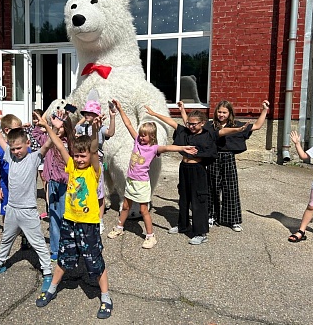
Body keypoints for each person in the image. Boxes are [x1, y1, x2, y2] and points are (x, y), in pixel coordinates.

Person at [34, 112, 113, 320]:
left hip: (88, 224)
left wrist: (95, 129)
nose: (79, 159)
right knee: (64, 257)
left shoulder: (93, 170)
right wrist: (46, 125)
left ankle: (106, 297)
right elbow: (60, 147)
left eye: (82, 156)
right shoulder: (71, 165)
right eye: (76, 156)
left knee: (95, 261)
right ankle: (52, 288)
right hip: (70, 221)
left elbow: (94, 149)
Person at [145, 106, 248, 245]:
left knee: (199, 200)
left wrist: (238, 129)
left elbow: (223, 131)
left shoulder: (208, 133)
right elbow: (171, 122)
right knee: (184, 197)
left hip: (198, 169)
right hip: (184, 168)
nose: (191, 126)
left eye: (194, 124)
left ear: (202, 123)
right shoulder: (185, 131)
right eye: (189, 123)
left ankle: (201, 233)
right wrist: (153, 113)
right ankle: (183, 225)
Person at [0, 104, 52, 291]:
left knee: (38, 243)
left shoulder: (34, 157)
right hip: (11, 209)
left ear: (27, 144)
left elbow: (49, 143)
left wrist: (53, 127)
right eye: (13, 149)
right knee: (6, 239)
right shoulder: (10, 156)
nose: (16, 151)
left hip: (28, 211)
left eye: (19, 147)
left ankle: (48, 272)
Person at [107, 100, 197, 248]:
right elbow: (128, 124)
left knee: (143, 210)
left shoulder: (154, 148)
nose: (141, 137)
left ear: (152, 137)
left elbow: (168, 147)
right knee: (125, 206)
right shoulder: (136, 141)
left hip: (142, 184)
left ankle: (150, 236)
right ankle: (119, 228)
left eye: (144, 135)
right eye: (141, 134)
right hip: (131, 181)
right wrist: (120, 109)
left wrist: (184, 148)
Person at [179, 100, 269, 232]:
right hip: (213, 158)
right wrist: (182, 109)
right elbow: (190, 124)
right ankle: (211, 216)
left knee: (230, 189)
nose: (221, 114)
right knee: (211, 188)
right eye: (219, 111)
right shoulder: (210, 125)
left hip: (228, 158)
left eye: (224, 112)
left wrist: (264, 110)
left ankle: (233, 220)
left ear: (229, 113)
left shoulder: (235, 125)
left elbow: (256, 126)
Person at [32, 111, 74, 261]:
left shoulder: (70, 142)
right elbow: (36, 133)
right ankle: (55, 248)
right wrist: (43, 121)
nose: (59, 128)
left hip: (68, 185)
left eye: (62, 126)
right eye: (57, 126)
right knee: (54, 217)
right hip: (54, 184)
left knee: (67, 217)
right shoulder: (48, 140)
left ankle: (68, 245)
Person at [0, 114, 32, 251]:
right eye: (17, 128)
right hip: (6, 187)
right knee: (6, 212)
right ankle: (7, 234)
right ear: (8, 131)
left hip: (22, 190)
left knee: (25, 214)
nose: (21, 130)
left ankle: (25, 237)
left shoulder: (25, 149)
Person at [75, 100, 115, 234]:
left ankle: (100, 220)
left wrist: (112, 117)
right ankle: (86, 215)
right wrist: (84, 118)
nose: (86, 115)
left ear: (96, 114)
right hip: (83, 163)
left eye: (89, 113)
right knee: (84, 190)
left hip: (97, 162)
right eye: (85, 112)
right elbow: (75, 129)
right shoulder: (83, 127)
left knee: (99, 192)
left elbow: (110, 133)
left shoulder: (100, 127)